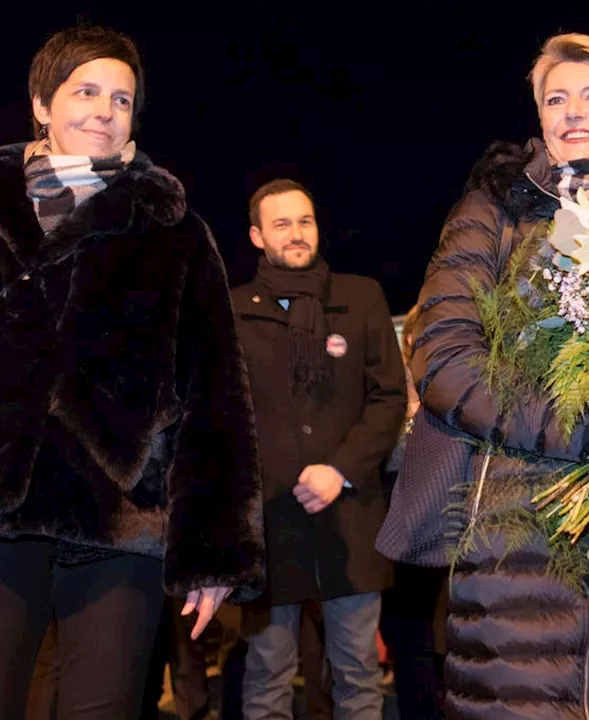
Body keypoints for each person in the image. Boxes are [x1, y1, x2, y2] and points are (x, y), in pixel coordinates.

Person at [0, 25, 266, 720]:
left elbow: (216, 399)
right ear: (42, 102)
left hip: (118, 520)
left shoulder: (174, 231)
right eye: (87, 91)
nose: (105, 110)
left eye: (122, 100)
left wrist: (215, 550)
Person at [410, 32, 589, 719]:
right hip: (516, 556)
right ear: (539, 118)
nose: (573, 111)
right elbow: (443, 361)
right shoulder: (493, 212)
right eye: (555, 98)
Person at [232, 178, 407, 719]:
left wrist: (340, 469)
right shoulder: (232, 309)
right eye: (281, 224)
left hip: (349, 519)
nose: (297, 233)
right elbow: (224, 417)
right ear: (258, 236)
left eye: (304, 221)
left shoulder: (360, 297)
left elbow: (389, 398)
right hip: (268, 524)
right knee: (266, 680)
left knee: (357, 675)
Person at [377, 304, 448, 719]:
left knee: (441, 625)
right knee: (409, 626)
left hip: (449, 503)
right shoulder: (390, 376)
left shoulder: (452, 374)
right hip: (399, 504)